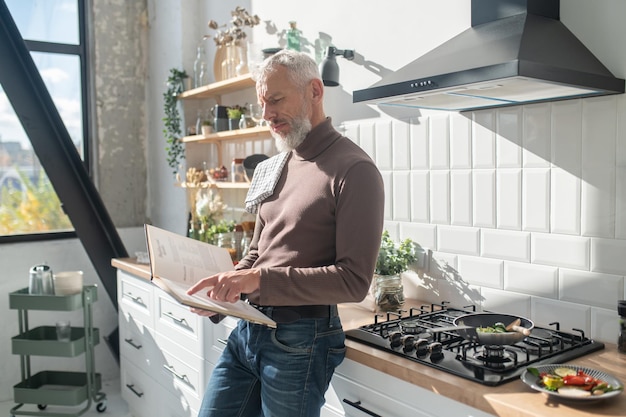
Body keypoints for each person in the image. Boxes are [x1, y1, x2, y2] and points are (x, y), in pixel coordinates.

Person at [187, 49, 385, 417]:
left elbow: (354, 281)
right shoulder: (277, 165)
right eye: (262, 104)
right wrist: (224, 291)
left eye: (275, 100)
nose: (266, 115)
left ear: (314, 91)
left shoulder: (354, 170)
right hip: (249, 329)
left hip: (301, 339)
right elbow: (257, 251)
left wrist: (257, 279)